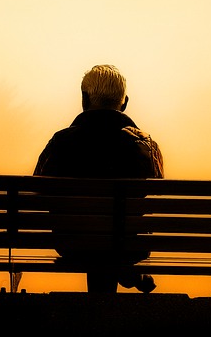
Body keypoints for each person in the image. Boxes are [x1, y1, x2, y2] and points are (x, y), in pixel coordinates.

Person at [34, 64, 164, 293]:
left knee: (95, 241)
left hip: (73, 243)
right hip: (128, 245)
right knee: (114, 240)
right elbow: (157, 189)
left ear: (84, 99)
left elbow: (37, 189)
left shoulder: (61, 142)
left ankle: (120, 276)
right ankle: (124, 270)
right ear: (124, 103)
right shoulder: (145, 145)